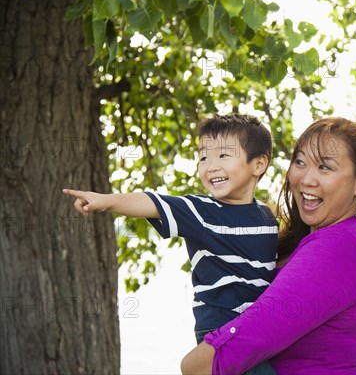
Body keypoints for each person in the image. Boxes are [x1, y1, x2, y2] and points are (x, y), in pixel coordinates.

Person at [64, 114, 279, 375]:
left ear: (258, 164)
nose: (210, 166)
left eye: (223, 156)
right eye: (203, 157)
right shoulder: (200, 211)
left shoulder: (268, 217)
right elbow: (151, 202)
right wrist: (106, 200)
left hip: (259, 326)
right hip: (222, 325)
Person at [180, 117, 356, 374]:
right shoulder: (324, 239)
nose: (306, 179)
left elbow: (215, 360)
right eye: (300, 162)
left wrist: (191, 362)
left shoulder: (338, 248)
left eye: (325, 167)